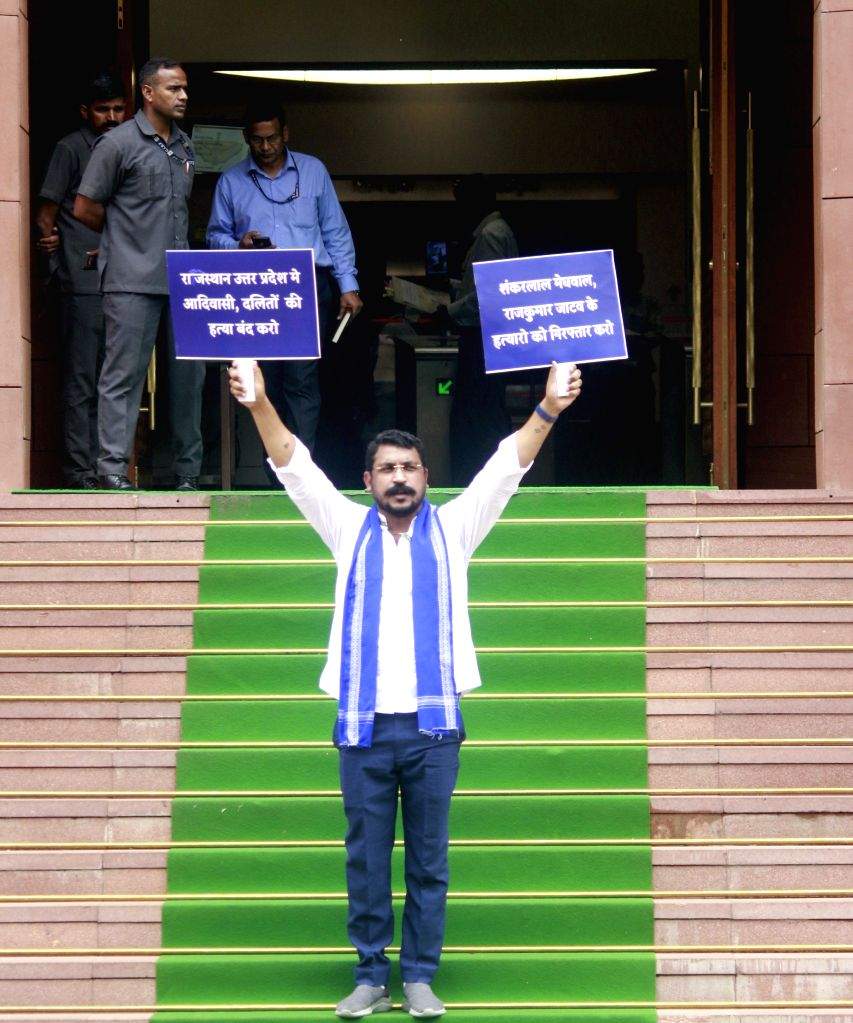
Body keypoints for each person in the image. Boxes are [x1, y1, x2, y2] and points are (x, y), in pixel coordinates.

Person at [228, 357, 582, 1019]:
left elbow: (506, 466)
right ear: (368, 481)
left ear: (425, 477)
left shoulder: (454, 528)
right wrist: (258, 402)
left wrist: (548, 407)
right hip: (363, 729)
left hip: (431, 729)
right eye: (386, 469)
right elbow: (293, 465)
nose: (398, 478)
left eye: (409, 468)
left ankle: (418, 974)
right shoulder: (344, 529)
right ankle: (369, 973)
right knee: (365, 861)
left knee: (427, 859)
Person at [74, 57, 205, 491]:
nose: (183, 96)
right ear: (148, 93)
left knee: (188, 377)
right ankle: (112, 468)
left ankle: (187, 471)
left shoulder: (185, 146)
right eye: (173, 89)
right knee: (123, 375)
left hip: (182, 280)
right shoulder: (117, 143)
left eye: (184, 88)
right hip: (131, 278)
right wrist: (122, 240)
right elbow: (85, 208)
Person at [207, 102, 362, 454]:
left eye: (272, 138)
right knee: (265, 382)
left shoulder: (313, 171)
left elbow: (335, 231)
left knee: (302, 380)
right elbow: (214, 237)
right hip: (256, 290)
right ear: (247, 139)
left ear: (285, 134)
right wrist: (238, 245)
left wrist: (348, 286)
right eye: (257, 140)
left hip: (306, 286)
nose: (265, 147)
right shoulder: (231, 181)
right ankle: (273, 468)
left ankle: (301, 468)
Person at [35, 72, 126, 488]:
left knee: (114, 379)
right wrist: (55, 261)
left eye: (118, 109)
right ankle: (79, 472)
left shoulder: (129, 147)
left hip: (124, 279)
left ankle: (110, 469)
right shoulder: (70, 148)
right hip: (82, 282)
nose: (111, 117)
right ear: (85, 112)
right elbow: (46, 214)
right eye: (103, 110)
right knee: (82, 382)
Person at [437, 176, 519, 487]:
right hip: (488, 339)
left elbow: (491, 293)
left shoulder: (490, 234)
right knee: (486, 413)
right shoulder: (496, 231)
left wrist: (450, 311)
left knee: (478, 417)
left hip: (481, 339)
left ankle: (479, 483)